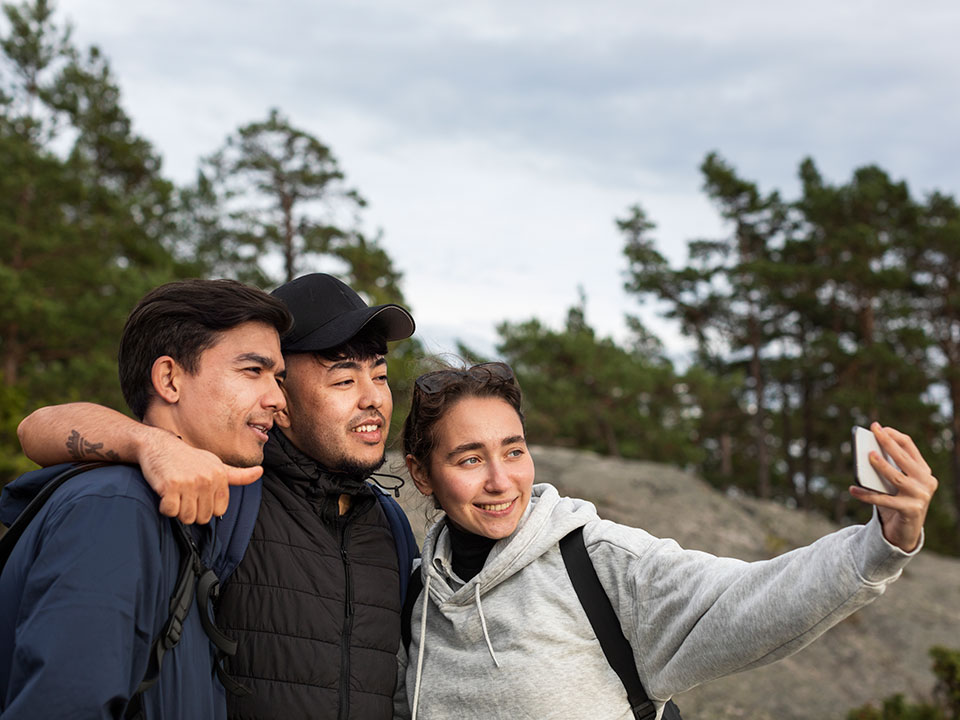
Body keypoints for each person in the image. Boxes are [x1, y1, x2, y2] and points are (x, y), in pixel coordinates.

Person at [395, 362, 937, 720]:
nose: (500, 480)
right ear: (422, 475)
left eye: (514, 451)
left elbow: (748, 599)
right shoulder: (417, 597)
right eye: (469, 458)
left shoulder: (598, 561)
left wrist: (881, 544)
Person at [15, 273, 418, 720]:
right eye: (343, 380)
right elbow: (37, 428)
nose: (374, 398)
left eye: (381, 375)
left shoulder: (391, 526)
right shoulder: (207, 491)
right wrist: (152, 443)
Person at [0, 279, 291, 719]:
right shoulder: (116, 508)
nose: (277, 399)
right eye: (253, 371)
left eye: (278, 378)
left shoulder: (173, 518)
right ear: (169, 379)